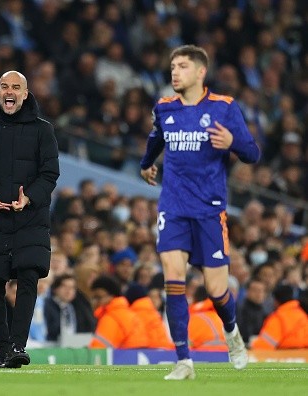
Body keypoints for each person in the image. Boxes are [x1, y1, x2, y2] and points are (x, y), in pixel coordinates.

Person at [140, 44, 260, 380]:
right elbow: (156, 137)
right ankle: (184, 361)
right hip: (174, 206)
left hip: (209, 210)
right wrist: (146, 164)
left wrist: (231, 143)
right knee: (172, 276)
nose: (174, 72)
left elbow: (253, 153)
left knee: (216, 290)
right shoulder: (164, 107)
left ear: (200, 72)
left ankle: (232, 332)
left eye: (181, 67)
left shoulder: (224, 108)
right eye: (172, 67)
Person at [0, 70, 59, 368]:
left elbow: (49, 173)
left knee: (28, 277)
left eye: (16, 87)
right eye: (5, 86)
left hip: (30, 217)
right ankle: (3, 351)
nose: (10, 91)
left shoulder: (44, 130)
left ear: (25, 94)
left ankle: (18, 345)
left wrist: (28, 198)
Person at [250, 284, 308, 350]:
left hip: (288, 355)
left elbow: (263, 345)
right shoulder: (302, 314)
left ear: (276, 301)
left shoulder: (278, 318)